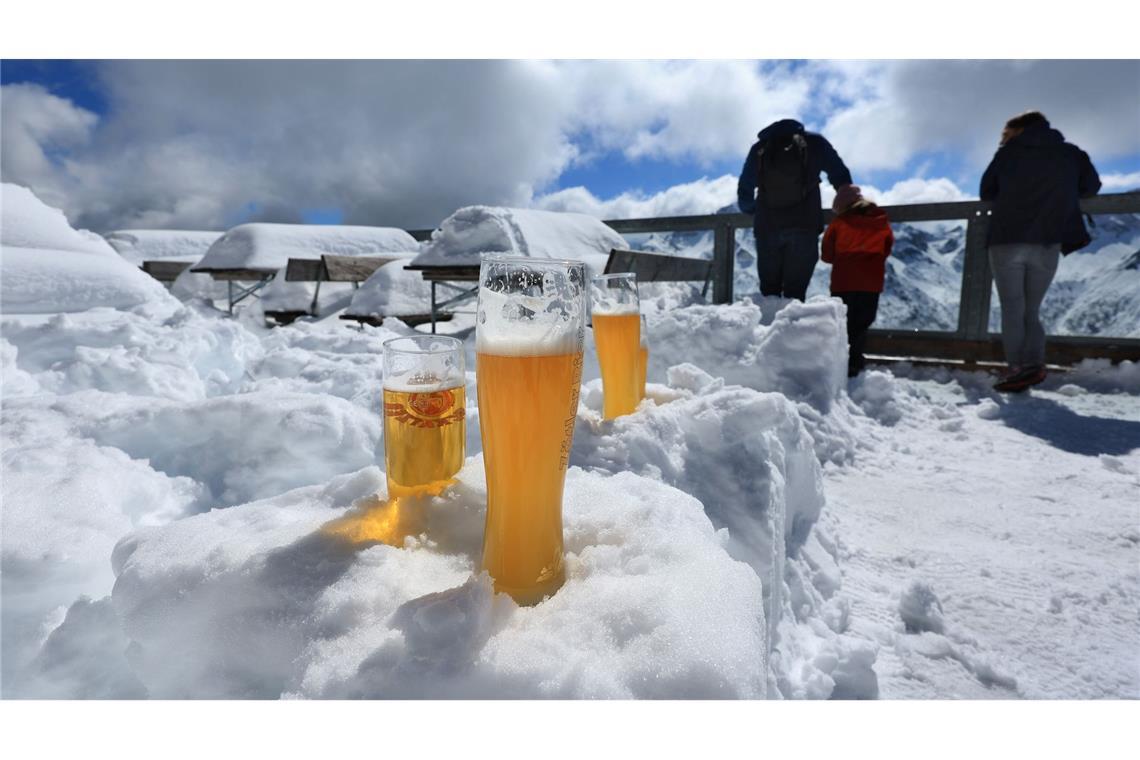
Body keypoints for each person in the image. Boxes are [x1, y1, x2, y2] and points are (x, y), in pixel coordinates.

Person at [980, 110, 1101, 392]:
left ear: (1016, 130)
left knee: (1013, 308)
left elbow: (987, 191)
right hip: (1048, 240)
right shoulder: (1072, 154)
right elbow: (1091, 187)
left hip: (1007, 238)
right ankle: (1033, 365)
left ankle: (1016, 369)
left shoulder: (1007, 154)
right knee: (1032, 310)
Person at [737, 118, 855, 301]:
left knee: (769, 294)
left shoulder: (759, 149)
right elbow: (839, 172)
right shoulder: (815, 143)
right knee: (795, 295)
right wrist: (844, 193)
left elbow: (745, 188)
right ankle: (792, 328)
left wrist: (754, 210)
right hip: (804, 226)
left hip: (767, 228)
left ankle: (766, 329)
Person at [822, 186, 894, 377]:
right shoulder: (881, 222)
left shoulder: (839, 224)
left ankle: (840, 362)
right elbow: (887, 249)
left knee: (842, 322)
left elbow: (827, 255)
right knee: (861, 323)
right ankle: (855, 362)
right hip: (871, 282)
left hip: (843, 281)